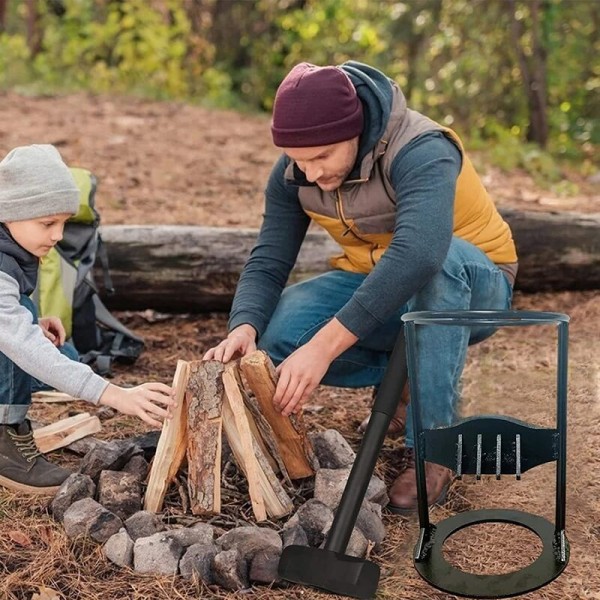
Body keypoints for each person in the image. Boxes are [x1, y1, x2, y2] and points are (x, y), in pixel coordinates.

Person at [204, 61, 517, 512]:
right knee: (279, 336)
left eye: (322, 157)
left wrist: (326, 346)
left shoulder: (423, 148)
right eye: (298, 160)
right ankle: (412, 373)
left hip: (475, 281)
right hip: (379, 281)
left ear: (355, 131)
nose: (310, 173)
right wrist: (244, 325)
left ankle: (436, 446)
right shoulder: (296, 169)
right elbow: (270, 256)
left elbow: (421, 254)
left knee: (436, 265)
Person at [0, 144, 176, 496]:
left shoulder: (12, 244)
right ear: (9, 213)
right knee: (22, 346)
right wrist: (111, 394)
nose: (58, 235)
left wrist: (32, 319)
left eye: (63, 223)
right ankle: (5, 434)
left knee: (61, 352)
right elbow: (16, 340)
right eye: (47, 223)